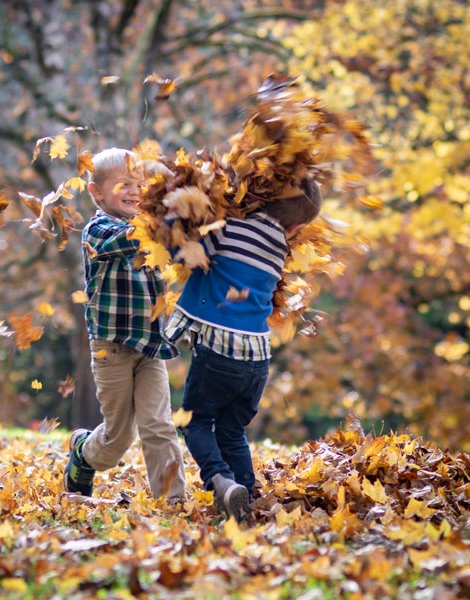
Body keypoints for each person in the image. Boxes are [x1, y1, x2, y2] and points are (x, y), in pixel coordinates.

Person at [165, 177, 322, 520]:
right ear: (294, 226)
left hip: (220, 353)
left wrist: (173, 219)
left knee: (194, 422)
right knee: (232, 429)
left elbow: (190, 256)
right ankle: (246, 497)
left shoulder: (229, 227)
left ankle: (220, 480)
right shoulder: (280, 246)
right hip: (258, 362)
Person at [63, 147, 186, 502]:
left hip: (150, 347)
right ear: (97, 192)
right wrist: (166, 219)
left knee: (158, 425)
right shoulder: (98, 231)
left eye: (140, 184)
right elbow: (128, 239)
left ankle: (172, 501)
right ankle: (83, 452)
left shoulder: (152, 231)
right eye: (124, 184)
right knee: (117, 440)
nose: (135, 191)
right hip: (112, 350)